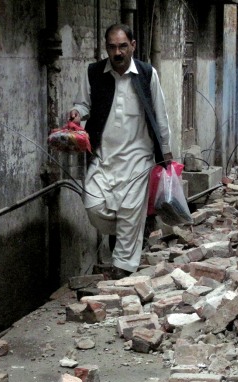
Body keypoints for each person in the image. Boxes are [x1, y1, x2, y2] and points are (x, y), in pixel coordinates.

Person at [69, 23, 172, 280]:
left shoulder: (147, 74)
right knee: (93, 205)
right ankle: (136, 226)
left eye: (123, 46)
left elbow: (160, 114)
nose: (118, 52)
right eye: (113, 47)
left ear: (133, 46)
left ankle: (123, 269)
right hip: (103, 156)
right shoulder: (94, 72)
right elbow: (83, 104)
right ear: (106, 48)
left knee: (128, 209)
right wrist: (77, 113)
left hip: (139, 156)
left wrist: (166, 152)